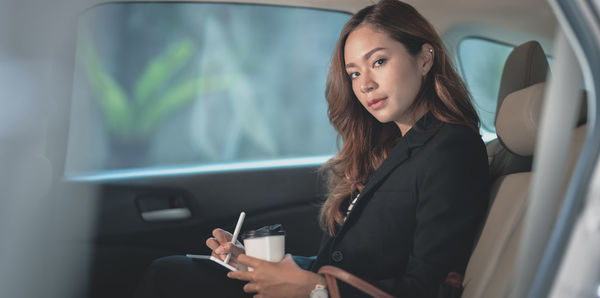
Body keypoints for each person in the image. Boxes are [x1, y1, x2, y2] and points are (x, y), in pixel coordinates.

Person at [134, 0, 489, 297]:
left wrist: (316, 289)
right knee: (170, 272)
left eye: (378, 61)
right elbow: (344, 267)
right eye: (353, 73)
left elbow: (425, 289)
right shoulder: (390, 148)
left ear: (425, 59)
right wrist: (256, 264)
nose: (365, 84)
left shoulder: (451, 147)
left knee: (169, 277)